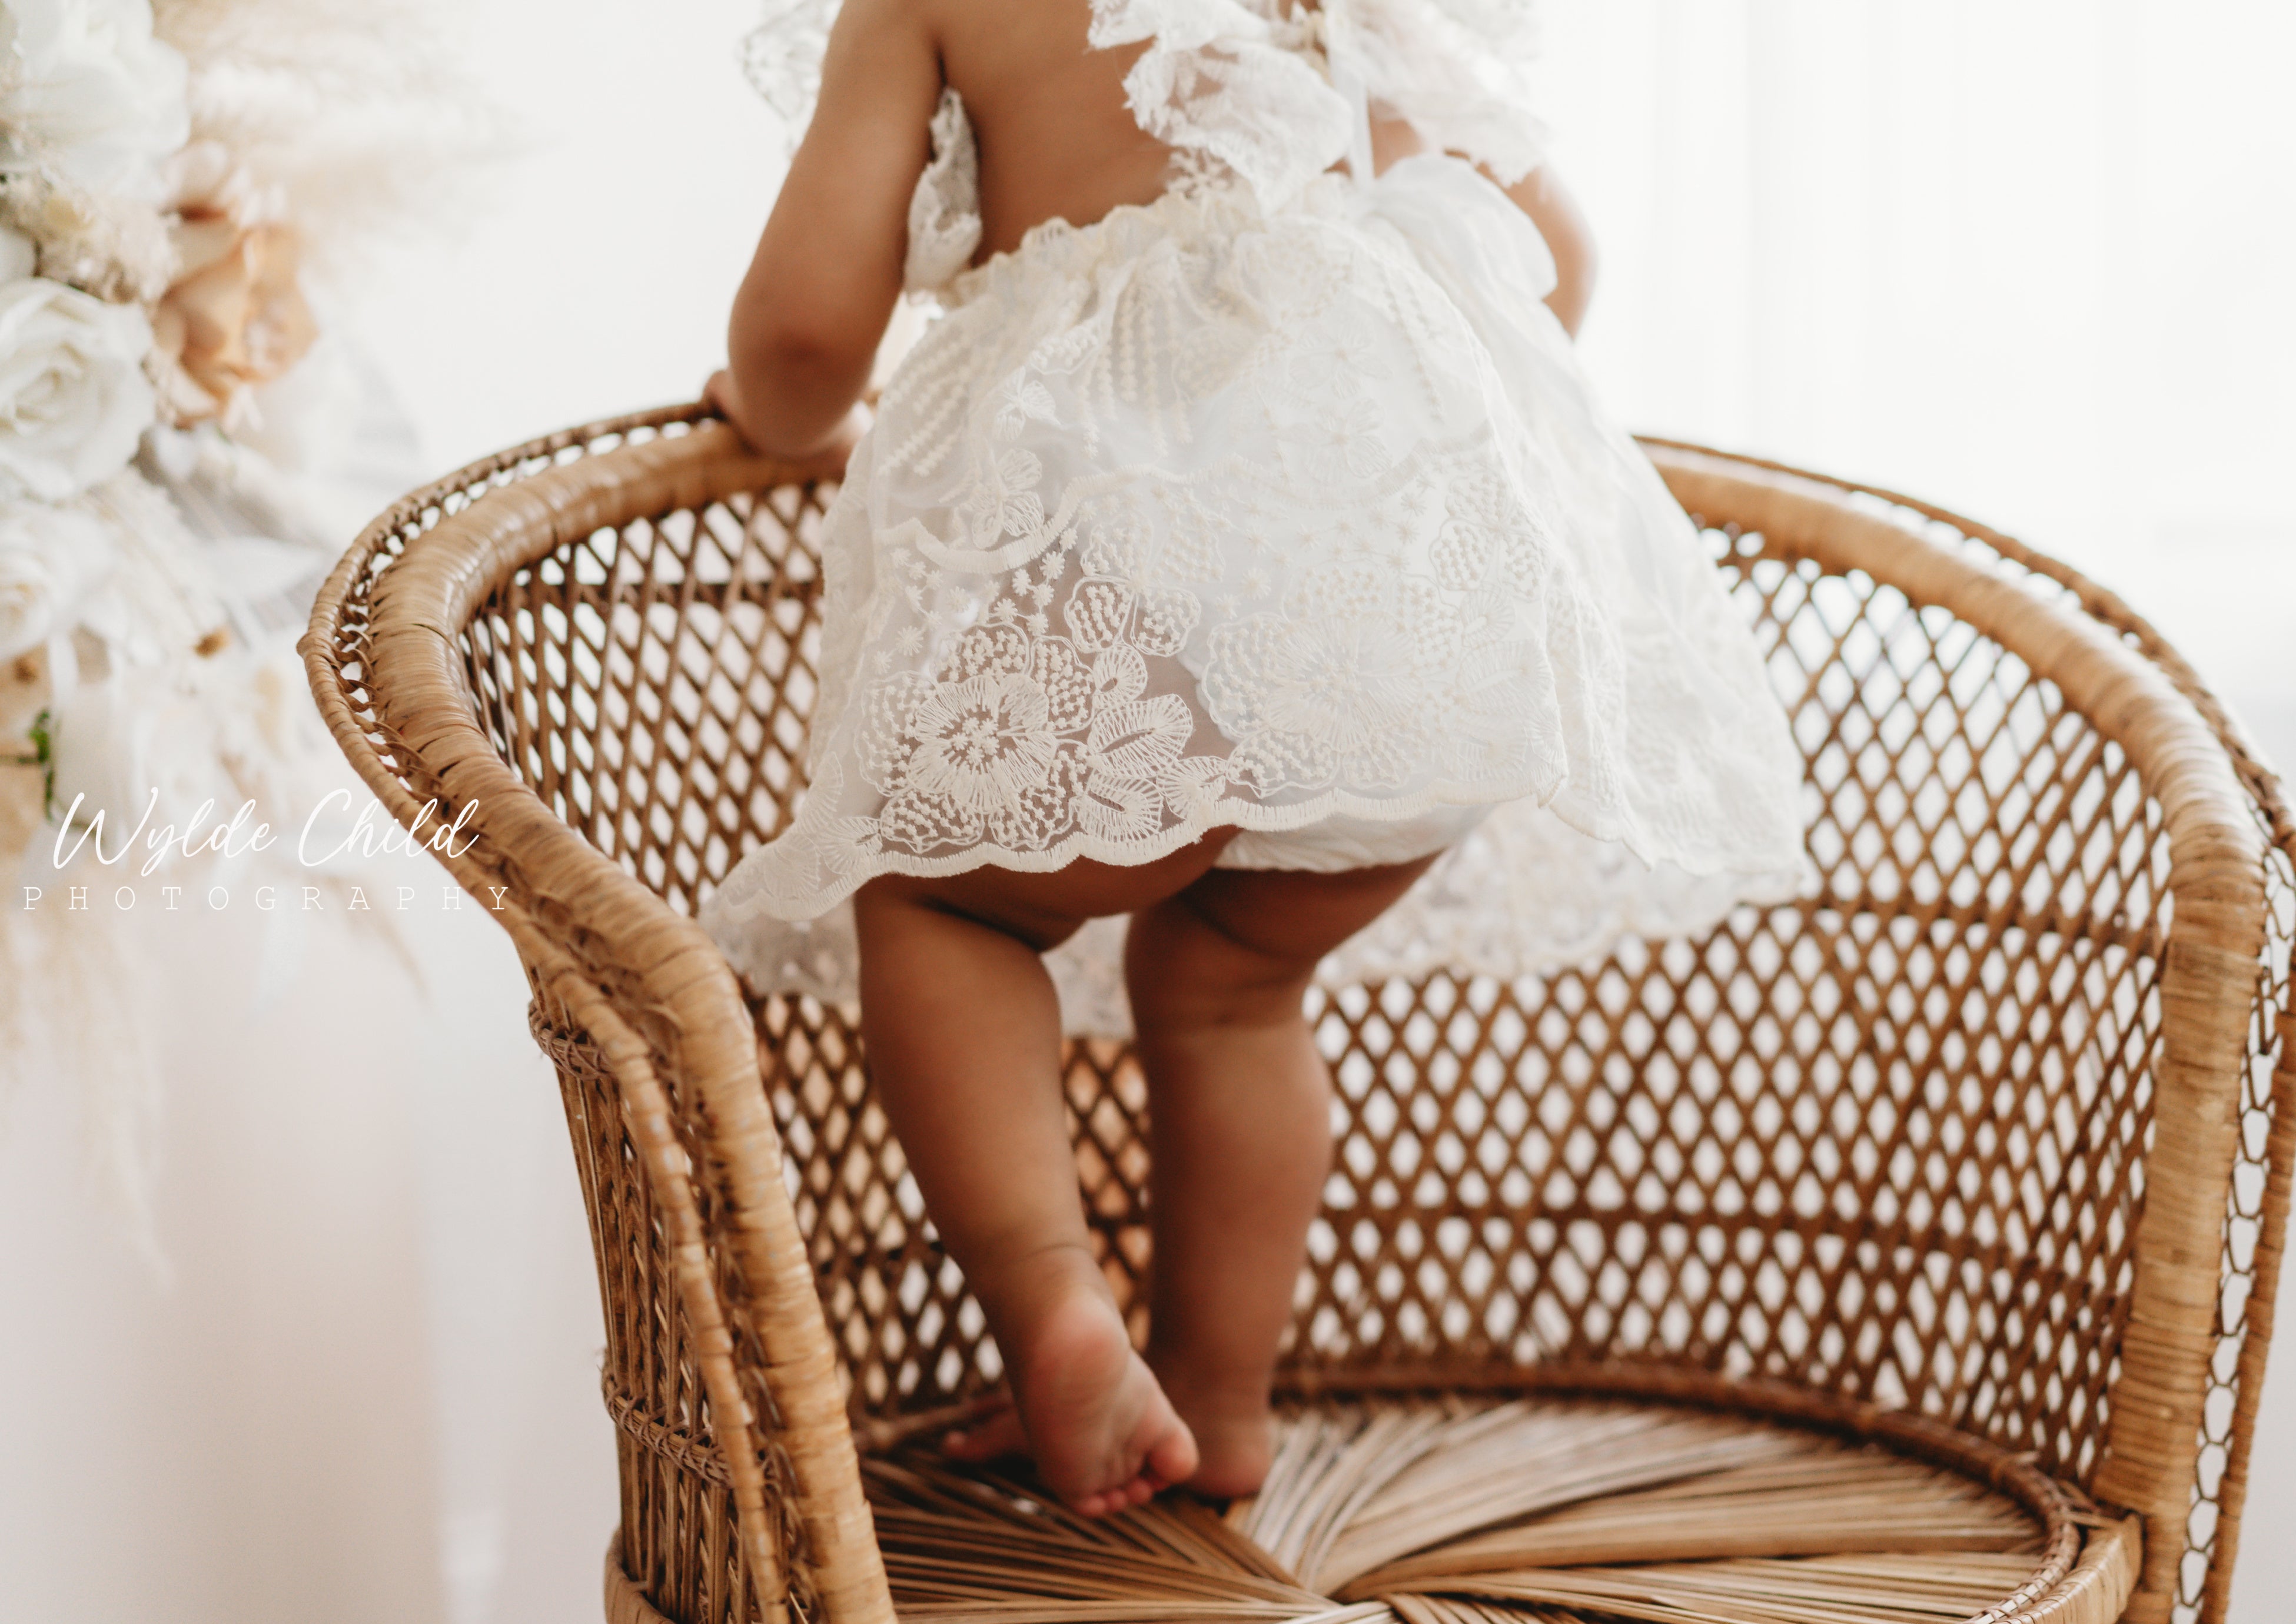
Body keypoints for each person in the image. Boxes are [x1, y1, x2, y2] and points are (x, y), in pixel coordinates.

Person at [702, 0, 1805, 1517]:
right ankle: (1218, 1409)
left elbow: (812, 331)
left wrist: (765, 415)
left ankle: (1056, 1315)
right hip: (1429, 637)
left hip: (1155, 574)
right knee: (1231, 985)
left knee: (944, 908)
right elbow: (1565, 259)